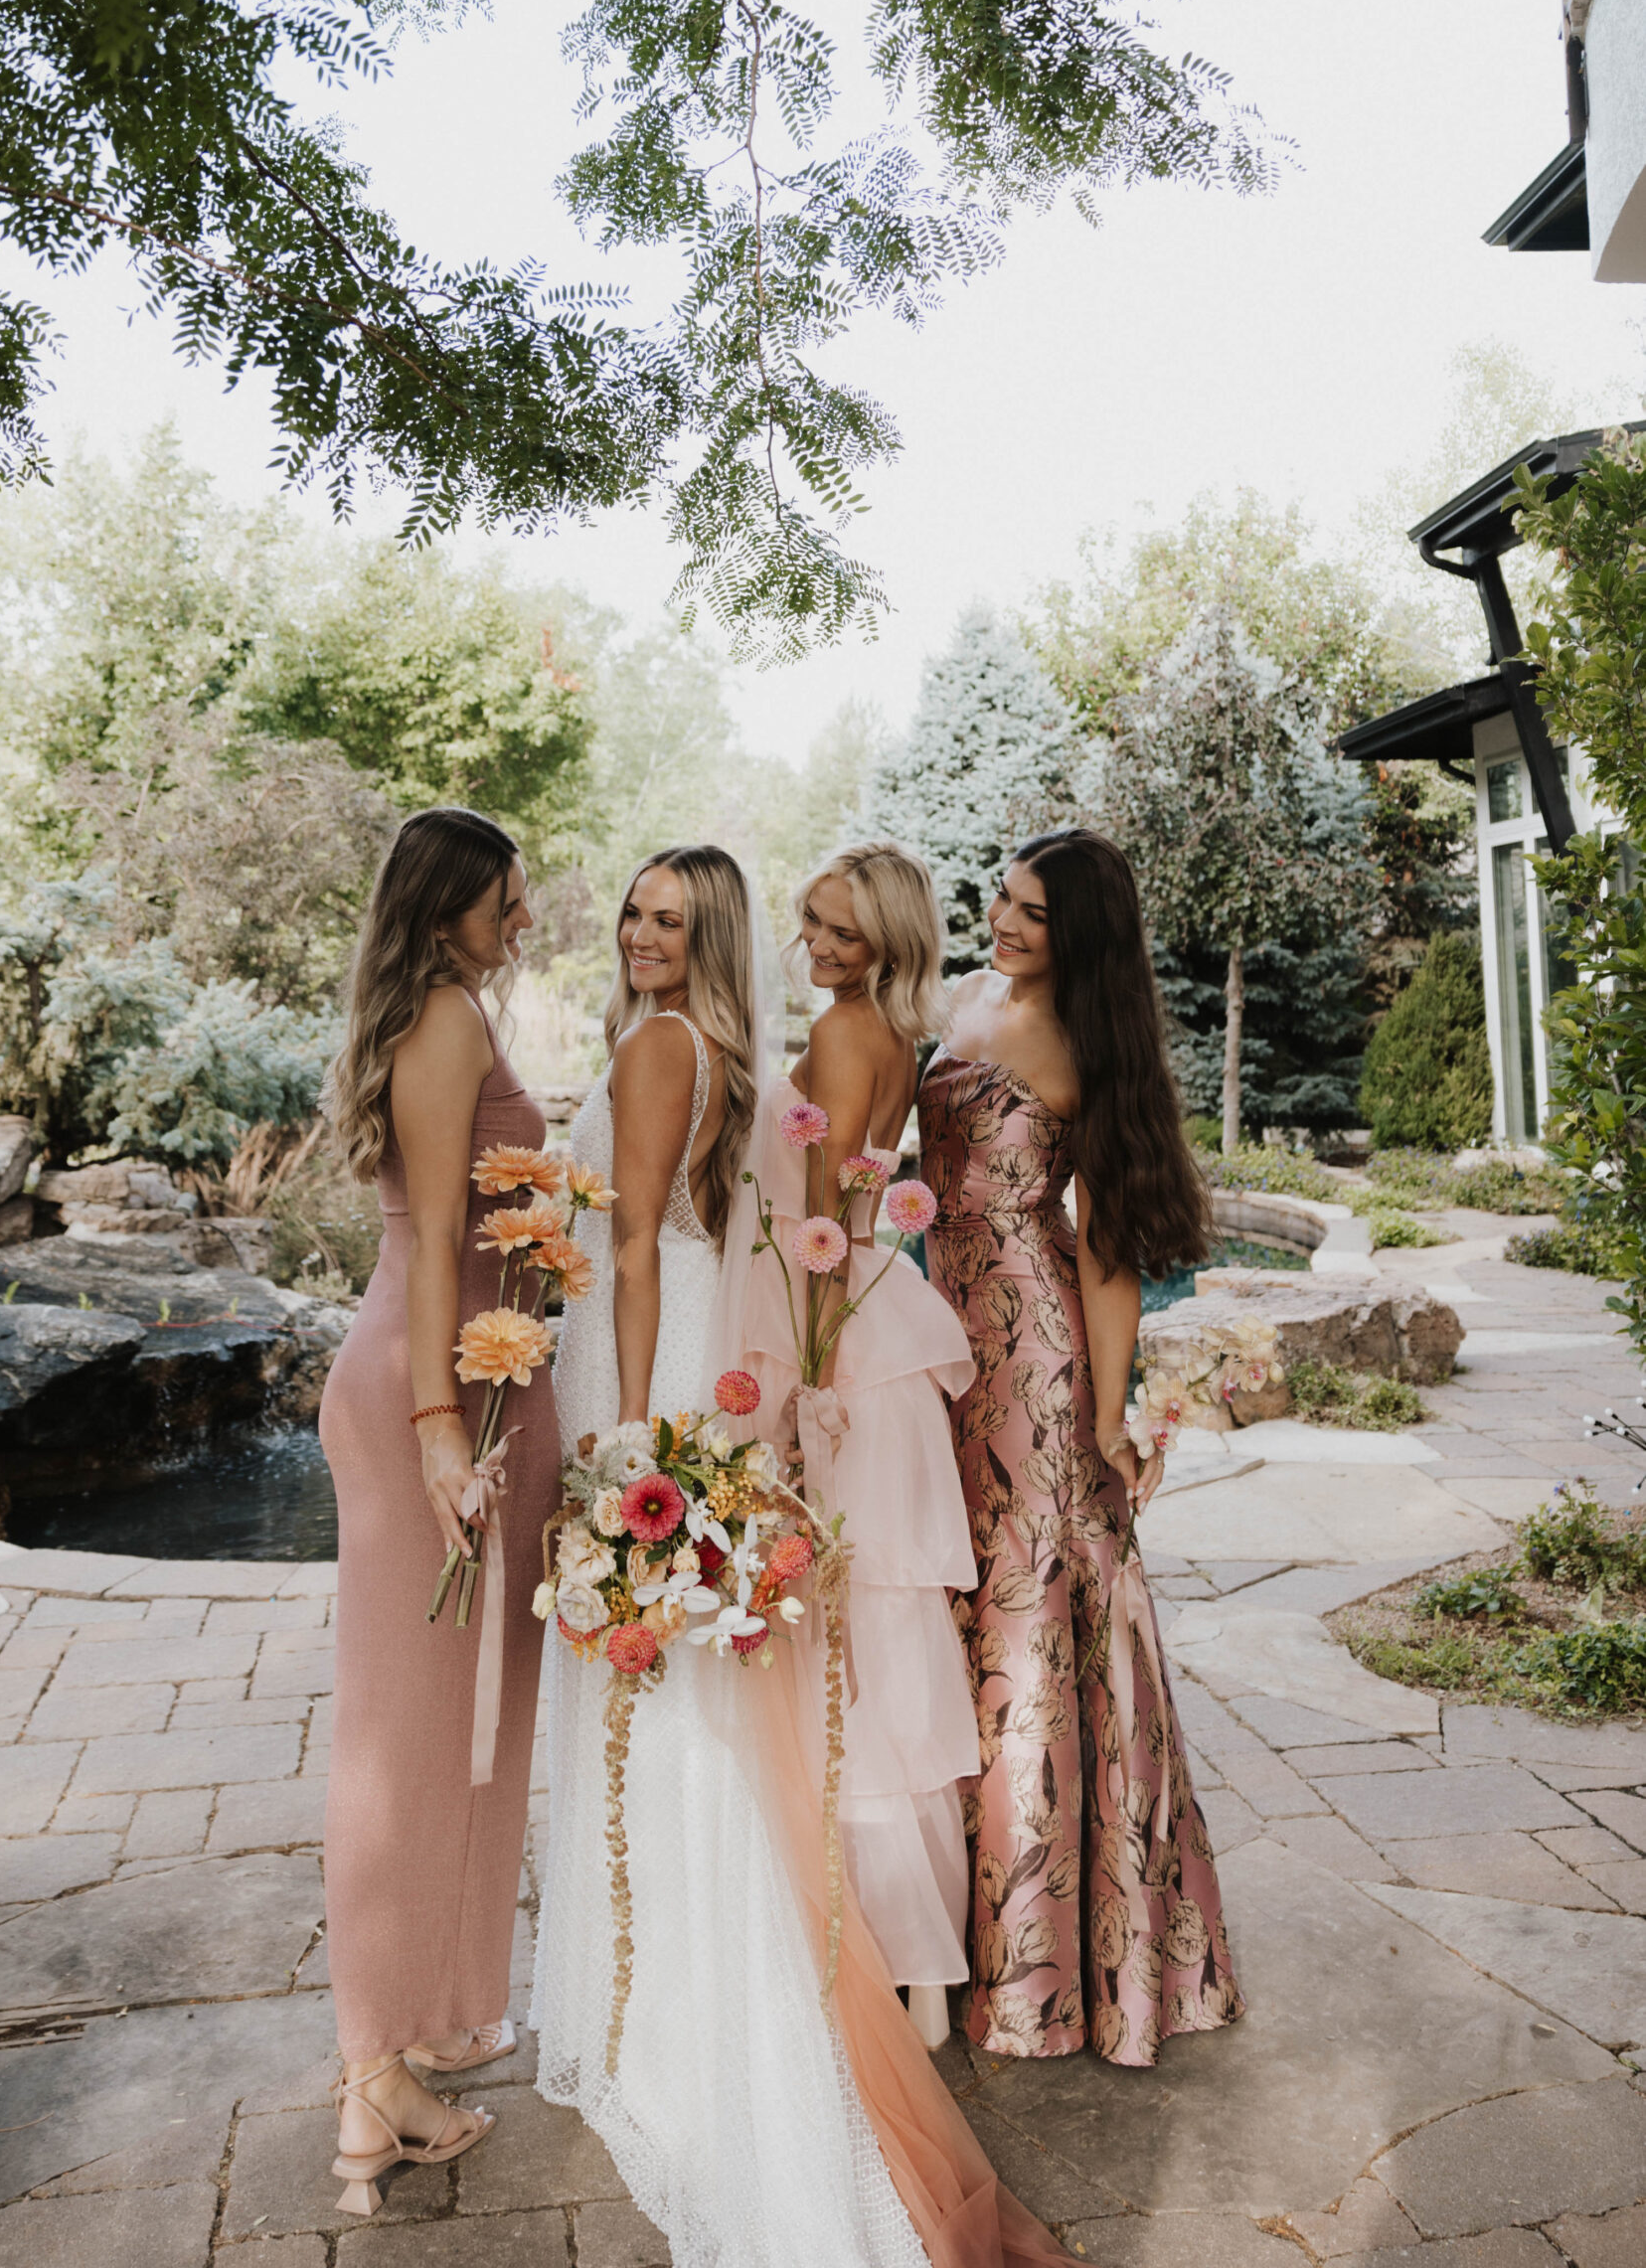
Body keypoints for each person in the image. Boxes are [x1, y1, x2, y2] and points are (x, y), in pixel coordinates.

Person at [531, 843, 1069, 2268]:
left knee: (674, 1694)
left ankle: (683, 1984)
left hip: (663, 1370)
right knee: (708, 1686)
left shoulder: (684, 1045)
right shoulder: (755, 1043)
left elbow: (666, 1243)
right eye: (632, 909)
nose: (642, 932)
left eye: (669, 916)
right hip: (710, 1346)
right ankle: (679, 1964)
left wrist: (631, 1436)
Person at [919, 828, 1243, 2067]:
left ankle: (1046, 1972)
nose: (1004, 921)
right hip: (935, 1346)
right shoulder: (959, 999)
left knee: (1034, 1636)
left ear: (1084, 938)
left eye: (1033, 913)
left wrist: (1109, 1418)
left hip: (1036, 1368)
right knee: (950, 1615)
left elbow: (1104, 1253)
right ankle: (940, 1934)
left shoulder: (1087, 1050)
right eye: (1001, 896)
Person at [319, 808, 562, 2211]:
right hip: (437, 1402)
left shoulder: (443, 1008)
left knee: (426, 1742)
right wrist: (432, 1435)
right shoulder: (446, 1021)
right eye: (505, 901)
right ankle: (369, 2089)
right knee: (398, 1751)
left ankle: (396, 2064)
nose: (520, 918)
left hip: (467, 1393)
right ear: (448, 906)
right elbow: (421, 1247)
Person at [728, 841, 977, 2048]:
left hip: (834, 1332)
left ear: (886, 937)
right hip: (879, 1311)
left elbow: (818, 1226)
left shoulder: (839, 1033)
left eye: (842, 930)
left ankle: (885, 1951)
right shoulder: (893, 1030)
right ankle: (925, 1968)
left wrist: (807, 1395)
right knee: (882, 1620)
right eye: (810, 924)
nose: (818, 947)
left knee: (848, 1627)